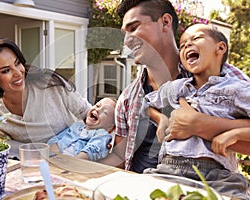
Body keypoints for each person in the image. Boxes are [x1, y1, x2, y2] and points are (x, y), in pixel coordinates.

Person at [98, 0, 250, 174]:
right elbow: (120, 157)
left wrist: (200, 124)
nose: (126, 41)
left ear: (165, 22)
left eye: (134, 28)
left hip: (205, 186)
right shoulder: (127, 99)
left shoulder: (221, 75)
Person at [143, 23, 250, 199]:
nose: (187, 46)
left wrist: (235, 134)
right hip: (168, 168)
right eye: (183, 45)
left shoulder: (237, 89)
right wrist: (161, 119)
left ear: (220, 48)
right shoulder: (176, 88)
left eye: (196, 38)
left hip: (216, 175)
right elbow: (146, 104)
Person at [0, 34, 92, 159]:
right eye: (6, 70)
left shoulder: (50, 85)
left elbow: (90, 114)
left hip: (75, 162)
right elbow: (2, 149)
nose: (18, 73)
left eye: (17, 63)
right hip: (34, 170)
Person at [47, 97, 116, 161]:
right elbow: (55, 140)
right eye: (97, 105)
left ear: (110, 127)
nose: (97, 110)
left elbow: (90, 152)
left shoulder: (102, 135)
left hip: (74, 166)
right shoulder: (76, 126)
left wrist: (71, 163)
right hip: (55, 161)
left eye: (105, 112)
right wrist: (56, 156)